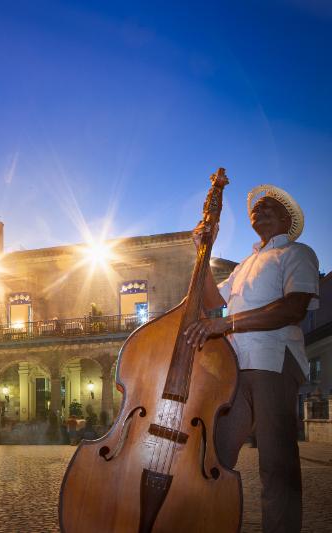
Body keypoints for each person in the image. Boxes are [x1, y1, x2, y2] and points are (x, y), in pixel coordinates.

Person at [184, 184, 319, 533]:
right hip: (235, 369)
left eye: (268, 206)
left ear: (287, 218)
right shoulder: (245, 264)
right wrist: (202, 251)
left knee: (276, 463)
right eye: (255, 208)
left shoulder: (297, 253)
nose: (259, 210)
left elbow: (292, 308)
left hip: (274, 360)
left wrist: (225, 324)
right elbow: (212, 300)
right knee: (216, 457)